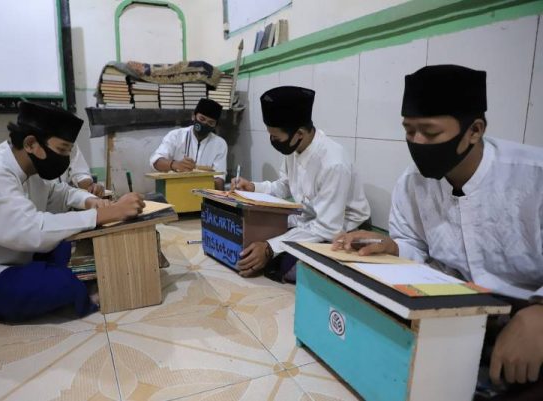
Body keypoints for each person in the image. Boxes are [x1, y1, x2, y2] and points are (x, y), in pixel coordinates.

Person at [333, 65, 543, 400]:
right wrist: (393, 247)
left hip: (527, 316)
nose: (417, 143)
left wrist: (539, 313)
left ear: (474, 131)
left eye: (430, 133)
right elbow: (415, 248)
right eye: (409, 131)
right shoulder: (412, 183)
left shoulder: (533, 176)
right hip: (452, 309)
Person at [0, 101, 144, 324]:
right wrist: (107, 214)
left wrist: (90, 201)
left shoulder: (28, 169)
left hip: (10, 256)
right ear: (31, 143)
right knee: (60, 284)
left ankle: (55, 276)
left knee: (67, 246)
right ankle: (74, 288)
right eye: (61, 150)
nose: (64, 159)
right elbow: (31, 231)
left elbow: (60, 194)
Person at [233, 86, 371, 281]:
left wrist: (270, 248)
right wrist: (254, 187)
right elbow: (284, 186)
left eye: (275, 137)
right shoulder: (294, 148)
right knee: (255, 235)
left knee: (285, 267)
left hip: (343, 230)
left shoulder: (333, 163)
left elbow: (327, 228)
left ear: (299, 133)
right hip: (308, 221)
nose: (272, 141)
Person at [150, 98, 227, 189]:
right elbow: (155, 161)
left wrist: (204, 181)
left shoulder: (220, 144)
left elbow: (219, 180)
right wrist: (174, 165)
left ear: (215, 125)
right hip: (175, 189)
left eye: (211, 123)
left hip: (204, 192)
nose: (205, 124)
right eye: (202, 119)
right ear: (193, 116)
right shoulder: (176, 136)